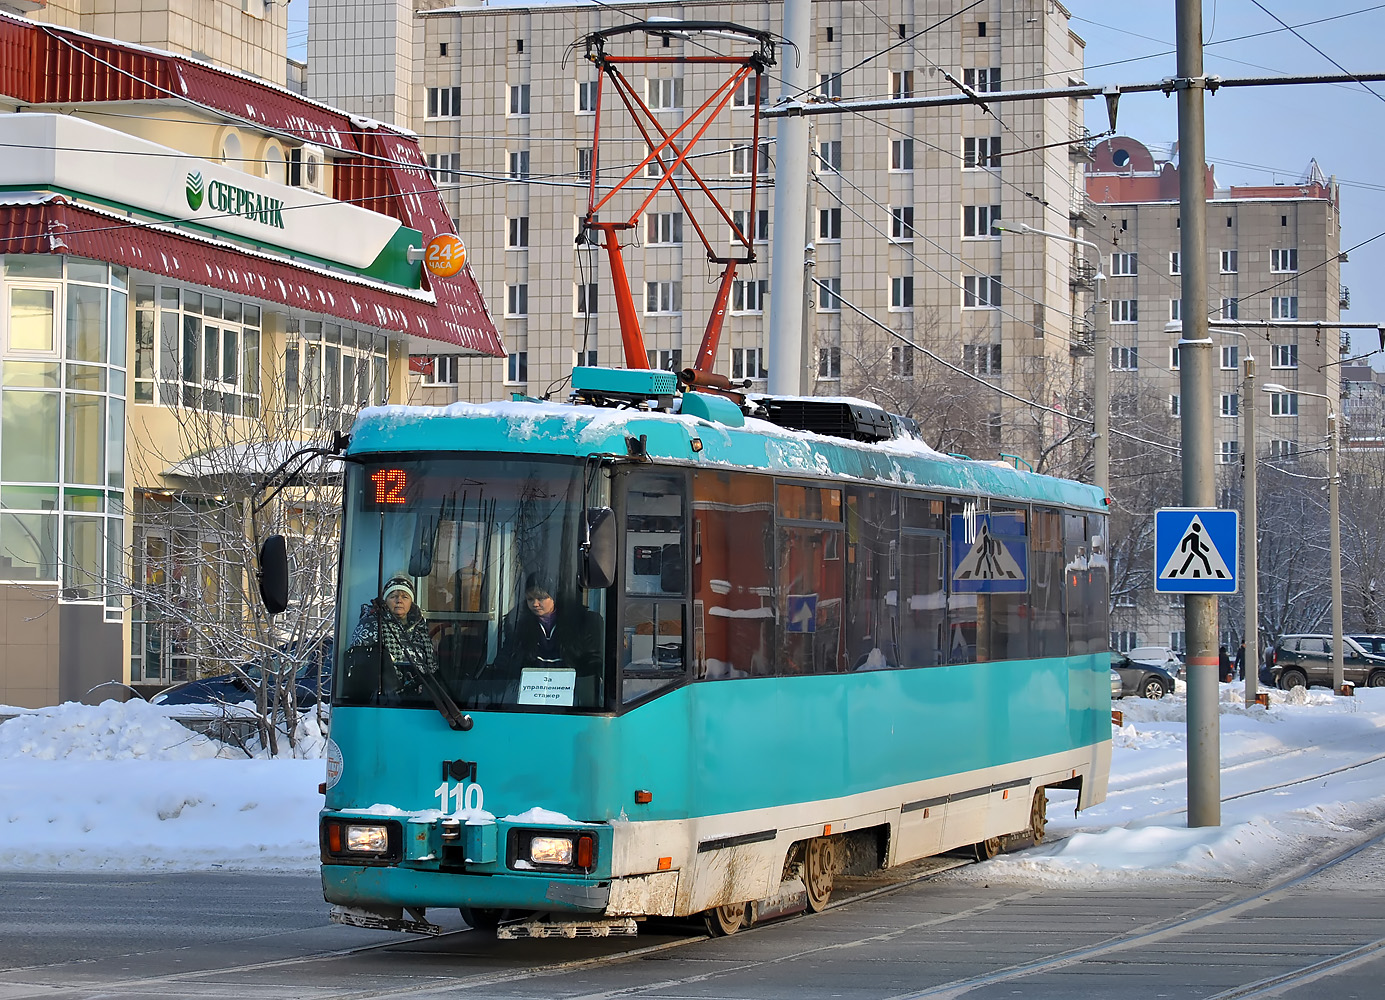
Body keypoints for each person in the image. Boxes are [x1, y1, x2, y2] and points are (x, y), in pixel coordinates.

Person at [491, 573, 602, 703]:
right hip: (530, 691)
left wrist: (587, 685)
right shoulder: (517, 624)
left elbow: (592, 660)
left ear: (554, 597)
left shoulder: (583, 623)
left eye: (541, 598)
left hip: (571, 692)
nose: (535, 604)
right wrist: (496, 678)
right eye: (530, 599)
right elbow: (507, 656)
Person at [348, 574, 438, 681]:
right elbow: (358, 664)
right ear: (385, 601)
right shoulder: (371, 625)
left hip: (422, 689)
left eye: (405, 597)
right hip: (385, 689)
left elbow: (432, 666)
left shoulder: (420, 629)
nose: (399, 600)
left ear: (411, 602)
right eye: (393, 596)